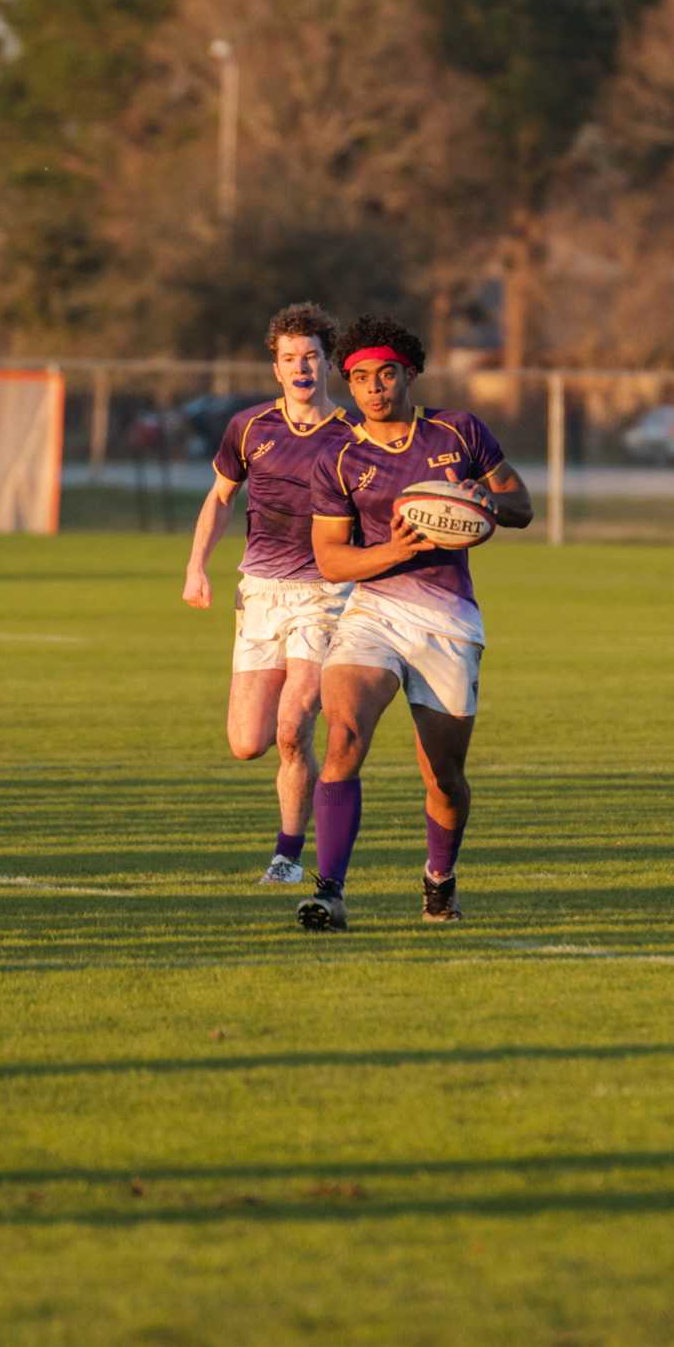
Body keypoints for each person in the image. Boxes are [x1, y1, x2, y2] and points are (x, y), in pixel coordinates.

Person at [297, 313, 534, 931]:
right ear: (348, 385)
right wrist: (393, 553)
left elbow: (522, 505)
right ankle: (330, 892)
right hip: (373, 611)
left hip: (448, 620)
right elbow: (330, 558)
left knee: (445, 778)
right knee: (343, 734)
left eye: (386, 374)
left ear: (409, 374)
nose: (375, 387)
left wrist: (490, 502)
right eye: (361, 378)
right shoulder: (339, 458)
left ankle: (439, 878)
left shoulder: (460, 431)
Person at [181, 303, 353, 884]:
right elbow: (220, 497)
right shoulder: (249, 427)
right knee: (247, 742)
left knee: (293, 723)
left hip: (323, 595)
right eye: (289, 359)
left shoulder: (355, 435)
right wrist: (196, 568)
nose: (301, 368)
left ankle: (288, 856)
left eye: (310, 357)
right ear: (275, 368)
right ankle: (298, 825)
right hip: (258, 593)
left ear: (328, 363)